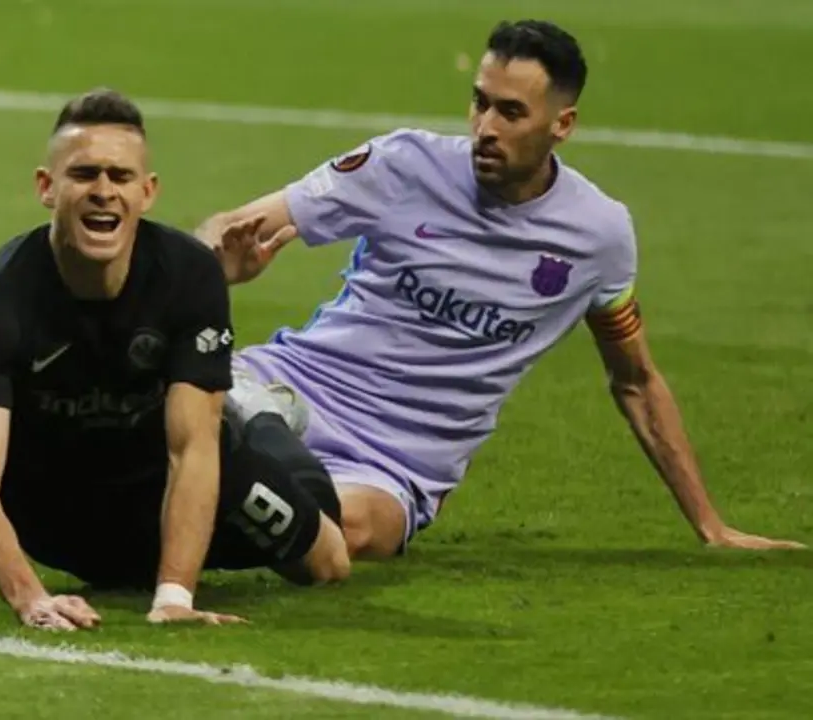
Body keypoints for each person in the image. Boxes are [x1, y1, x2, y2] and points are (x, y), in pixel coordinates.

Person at [195, 19, 806, 560]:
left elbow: (637, 381)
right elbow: (229, 231)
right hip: (297, 383)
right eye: (479, 103)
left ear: (561, 125)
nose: (485, 127)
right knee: (165, 412)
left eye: (511, 112)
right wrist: (216, 265)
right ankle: (225, 463)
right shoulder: (402, 166)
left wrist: (711, 525)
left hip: (397, 462)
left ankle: (222, 478)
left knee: (344, 532)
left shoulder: (598, 236)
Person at [0, 88, 351, 631]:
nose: (103, 192)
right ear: (47, 187)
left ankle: (257, 411)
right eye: (84, 175)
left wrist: (175, 596)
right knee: (21, 526)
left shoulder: (189, 276)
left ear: (148, 192)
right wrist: (31, 600)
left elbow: (193, 450)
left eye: (120, 176)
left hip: (163, 475)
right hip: (56, 506)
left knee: (328, 562)